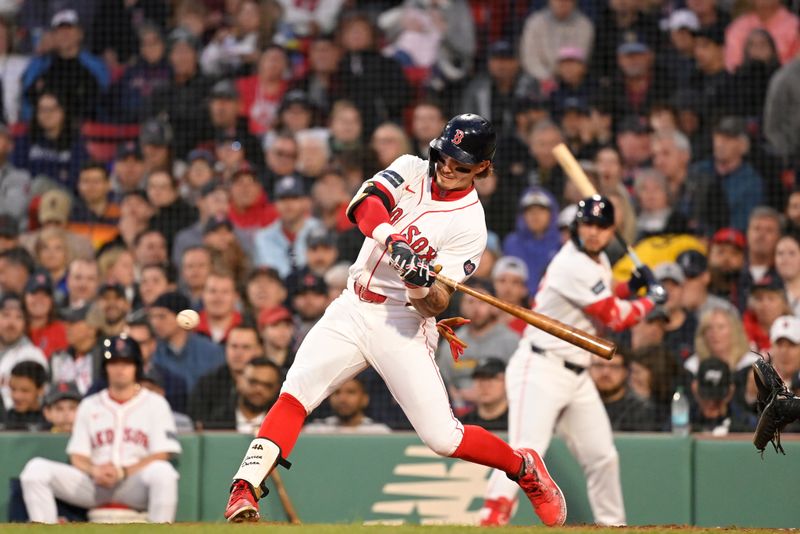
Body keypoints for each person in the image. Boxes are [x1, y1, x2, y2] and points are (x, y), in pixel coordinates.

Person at [224, 114, 567, 527]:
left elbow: (436, 304)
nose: (446, 166)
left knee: (444, 438)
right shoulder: (410, 168)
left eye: (459, 163)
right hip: (351, 307)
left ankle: (522, 467)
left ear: (482, 168)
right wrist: (395, 241)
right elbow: (364, 208)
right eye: (444, 154)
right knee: (296, 393)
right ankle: (244, 488)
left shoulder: (470, 226)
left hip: (401, 323)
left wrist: (419, 283)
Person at [481, 195, 666, 527]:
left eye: (601, 227)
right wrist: (650, 300)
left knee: (602, 457)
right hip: (540, 368)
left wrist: (629, 286)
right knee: (525, 453)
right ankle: (490, 519)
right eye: (588, 225)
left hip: (577, 376)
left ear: (611, 231)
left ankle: (613, 526)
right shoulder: (572, 262)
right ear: (577, 228)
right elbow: (614, 317)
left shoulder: (594, 261)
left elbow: (603, 293)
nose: (593, 233)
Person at [19, 335, 181, 523]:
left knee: (164, 472)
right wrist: (94, 470)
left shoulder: (156, 403)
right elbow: (77, 456)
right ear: (105, 367)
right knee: (35, 470)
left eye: (126, 363)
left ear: (136, 367)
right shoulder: (89, 404)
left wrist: (124, 471)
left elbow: (163, 453)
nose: (120, 369)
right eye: (114, 363)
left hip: (134, 483)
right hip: (94, 484)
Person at [189, 325, 263, 429]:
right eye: (233, 346)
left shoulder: (269, 381)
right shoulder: (207, 383)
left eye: (246, 347)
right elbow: (198, 424)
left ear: (258, 350)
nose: (238, 353)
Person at [201, 357, 283, 433]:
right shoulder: (214, 422)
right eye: (253, 382)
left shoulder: (283, 427)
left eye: (268, 385)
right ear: (239, 381)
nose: (259, 390)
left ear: (277, 389)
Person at [0, 293, 48, 408]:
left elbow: (38, 399)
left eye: (19, 317)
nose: (11, 323)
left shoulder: (32, 355)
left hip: (17, 423)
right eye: (6, 315)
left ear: (25, 324)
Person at [589, 352, 657, 432]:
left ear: (625, 372)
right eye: (599, 365)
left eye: (614, 367)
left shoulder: (640, 410)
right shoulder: (577, 403)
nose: (605, 372)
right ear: (588, 368)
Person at [304, 376, 391, 434]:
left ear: (365, 399)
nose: (342, 399)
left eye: (351, 392)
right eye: (337, 392)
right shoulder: (315, 430)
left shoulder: (379, 431)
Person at [460, 358, 509, 431]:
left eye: (492, 378)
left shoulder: (517, 421)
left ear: (506, 382)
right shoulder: (463, 425)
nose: (485, 385)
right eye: (479, 378)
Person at [4, 360, 48, 431]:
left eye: (25, 391)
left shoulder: (52, 421)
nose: (17, 396)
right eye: (13, 389)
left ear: (41, 390)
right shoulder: (3, 420)